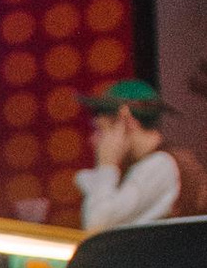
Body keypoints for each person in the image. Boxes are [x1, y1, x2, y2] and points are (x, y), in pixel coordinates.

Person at [76, 80, 203, 232]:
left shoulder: (160, 165)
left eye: (101, 130)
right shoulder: (154, 164)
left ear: (126, 120)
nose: (94, 140)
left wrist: (106, 165)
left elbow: (96, 225)